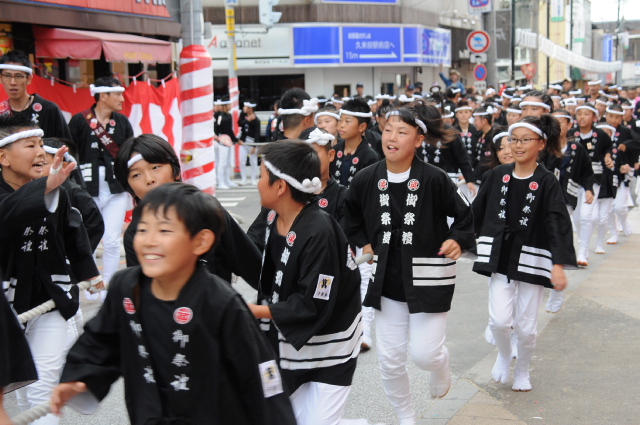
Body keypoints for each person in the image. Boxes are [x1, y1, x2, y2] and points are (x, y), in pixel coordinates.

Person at [52, 183, 296, 425]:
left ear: (200, 241)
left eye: (164, 230)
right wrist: (81, 375)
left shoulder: (221, 302)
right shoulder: (126, 288)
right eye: (143, 229)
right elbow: (100, 339)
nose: (149, 241)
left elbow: (261, 376)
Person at [345, 104, 475, 425]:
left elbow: (465, 217)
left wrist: (457, 240)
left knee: (425, 355)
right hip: (387, 283)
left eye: (402, 132)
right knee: (390, 361)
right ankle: (406, 417)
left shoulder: (435, 179)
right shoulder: (365, 179)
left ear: (418, 140)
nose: (392, 137)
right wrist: (363, 242)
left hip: (428, 279)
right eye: (388, 129)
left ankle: (440, 364)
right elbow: (350, 216)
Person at [246, 141, 362, 425]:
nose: (257, 183)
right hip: (286, 337)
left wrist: (255, 311)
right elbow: (246, 251)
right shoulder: (272, 215)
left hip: (331, 342)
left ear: (280, 187)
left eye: (261, 176)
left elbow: (314, 301)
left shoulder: (319, 230)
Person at [0, 114, 100, 425]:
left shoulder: (58, 189)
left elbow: (74, 232)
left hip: (50, 298)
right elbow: (5, 213)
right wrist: (44, 188)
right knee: (20, 389)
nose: (41, 152)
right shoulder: (43, 187)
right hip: (6, 307)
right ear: (3, 157)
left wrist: (88, 272)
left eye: (42, 144)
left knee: (42, 386)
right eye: (31, 145)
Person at [472, 115, 577, 392]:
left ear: (541, 144)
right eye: (513, 140)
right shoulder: (497, 175)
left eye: (525, 140)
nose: (517, 145)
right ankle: (504, 354)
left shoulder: (547, 181)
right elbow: (475, 212)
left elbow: (557, 222)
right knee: (499, 322)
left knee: (526, 328)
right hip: (500, 257)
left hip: (533, 257)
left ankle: (522, 369)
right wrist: (457, 238)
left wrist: (558, 264)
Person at [113, 134, 262, 287]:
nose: (149, 179)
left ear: (176, 171)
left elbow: (251, 264)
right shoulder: (135, 234)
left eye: (156, 167)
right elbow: (142, 291)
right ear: (128, 186)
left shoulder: (207, 211)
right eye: (136, 175)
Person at [69, 76, 133, 302]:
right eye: (118, 94)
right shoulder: (79, 121)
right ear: (103, 96)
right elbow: (71, 155)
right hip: (87, 190)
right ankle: (90, 283)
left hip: (116, 189)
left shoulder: (122, 122)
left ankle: (108, 285)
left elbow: (130, 153)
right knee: (88, 239)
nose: (122, 99)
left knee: (113, 240)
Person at [573, 104, 613, 266]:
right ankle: (583, 243)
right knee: (576, 218)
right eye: (579, 114)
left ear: (594, 117)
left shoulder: (600, 135)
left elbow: (608, 147)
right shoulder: (571, 134)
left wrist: (608, 156)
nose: (582, 117)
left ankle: (582, 251)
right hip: (574, 180)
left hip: (593, 179)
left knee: (586, 216)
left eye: (586, 114)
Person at [0, 50, 72, 141]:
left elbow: (66, 145)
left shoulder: (49, 109)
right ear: (1, 78)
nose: (13, 82)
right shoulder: (1, 112)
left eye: (18, 76)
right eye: (7, 76)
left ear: (29, 79)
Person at [330, 98, 380, 189]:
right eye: (340, 120)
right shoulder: (335, 150)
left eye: (347, 121)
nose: (341, 125)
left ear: (362, 127)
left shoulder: (370, 156)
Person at [214, 98, 237, 189]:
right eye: (229, 105)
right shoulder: (220, 116)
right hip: (222, 141)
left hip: (228, 141)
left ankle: (227, 180)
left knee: (227, 162)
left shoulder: (229, 115)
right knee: (222, 162)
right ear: (224, 106)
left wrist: (233, 139)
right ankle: (220, 182)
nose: (230, 106)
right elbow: (221, 128)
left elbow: (230, 130)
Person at [238, 101, 261, 185]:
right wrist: (247, 120)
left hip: (252, 142)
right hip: (243, 142)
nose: (244, 108)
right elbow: (239, 124)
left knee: (253, 161)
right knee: (242, 160)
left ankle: (253, 179)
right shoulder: (243, 115)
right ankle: (243, 179)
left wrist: (255, 146)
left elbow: (257, 134)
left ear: (250, 108)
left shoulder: (256, 120)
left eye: (246, 107)